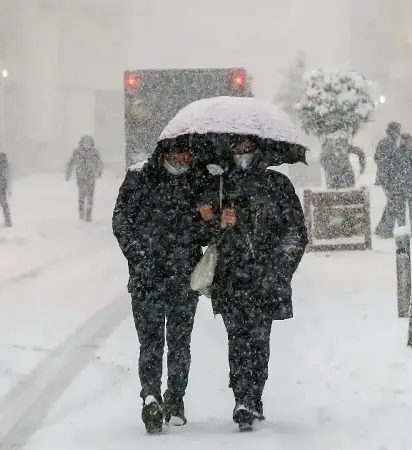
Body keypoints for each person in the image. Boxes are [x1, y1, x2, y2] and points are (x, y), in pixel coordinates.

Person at [200, 136, 308, 431]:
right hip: (231, 277)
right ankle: (242, 398)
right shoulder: (221, 186)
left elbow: (296, 231)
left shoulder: (278, 185)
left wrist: (278, 268)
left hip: (265, 279)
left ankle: (254, 395)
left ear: (259, 150)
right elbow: (205, 234)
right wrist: (218, 224)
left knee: (259, 341)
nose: (242, 153)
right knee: (237, 339)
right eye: (237, 147)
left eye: (248, 147)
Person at [112, 142, 212, 434]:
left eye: (186, 156)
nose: (181, 161)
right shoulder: (139, 177)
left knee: (180, 343)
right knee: (152, 342)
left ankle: (175, 398)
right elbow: (121, 222)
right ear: (163, 154)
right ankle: (152, 396)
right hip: (148, 278)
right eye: (176, 156)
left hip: (183, 277)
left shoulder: (198, 179)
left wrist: (205, 221)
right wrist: (139, 256)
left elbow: (206, 234)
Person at [374, 122, 402, 238]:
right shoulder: (388, 143)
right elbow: (383, 161)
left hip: (388, 177)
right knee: (394, 203)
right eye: (397, 131)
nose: (398, 133)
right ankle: (386, 229)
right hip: (388, 178)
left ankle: (382, 227)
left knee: (391, 203)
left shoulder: (389, 142)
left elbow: (378, 158)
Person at [66, 135, 103, 221]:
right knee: (81, 196)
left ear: (91, 144)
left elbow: (99, 163)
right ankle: (81, 214)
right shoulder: (77, 152)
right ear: (81, 143)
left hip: (91, 177)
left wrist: (99, 171)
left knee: (90, 196)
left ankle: (88, 215)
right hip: (81, 177)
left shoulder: (94, 153)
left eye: (89, 142)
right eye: (85, 142)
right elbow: (71, 163)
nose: (87, 144)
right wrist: (68, 173)